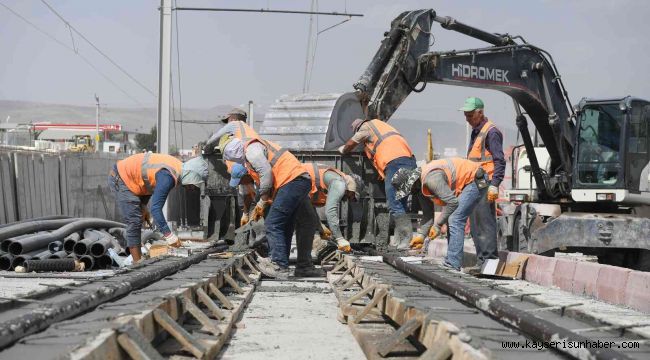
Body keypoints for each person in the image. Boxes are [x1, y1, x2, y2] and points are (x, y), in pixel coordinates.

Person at [220, 134, 321, 279]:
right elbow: (268, 186)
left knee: (273, 224)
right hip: (297, 180)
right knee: (285, 224)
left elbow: (266, 174)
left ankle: (279, 265)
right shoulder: (253, 156)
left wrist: (262, 202)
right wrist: (260, 207)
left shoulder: (252, 151)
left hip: (291, 180)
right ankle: (299, 266)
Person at [392, 157, 488, 270]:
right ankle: (452, 260)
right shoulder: (420, 187)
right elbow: (428, 215)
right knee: (451, 217)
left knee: (455, 219)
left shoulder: (431, 180)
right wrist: (421, 236)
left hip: (477, 179)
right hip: (467, 183)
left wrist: (438, 225)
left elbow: (452, 203)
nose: (410, 193)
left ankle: (453, 263)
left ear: (412, 183)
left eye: (408, 190)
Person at [108, 153, 208, 262]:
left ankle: (139, 259)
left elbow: (148, 181)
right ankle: (137, 264)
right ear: (190, 175)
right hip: (122, 178)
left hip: (133, 180)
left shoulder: (176, 169)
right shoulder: (168, 177)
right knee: (134, 221)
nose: (191, 189)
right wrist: (169, 235)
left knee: (138, 218)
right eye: (193, 185)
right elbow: (156, 209)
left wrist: (143, 206)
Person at [339, 118, 416, 249]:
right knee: (401, 204)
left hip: (394, 163)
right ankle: (399, 242)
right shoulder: (383, 127)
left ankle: (407, 240)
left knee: (394, 205)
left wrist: (343, 149)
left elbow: (353, 142)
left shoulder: (366, 127)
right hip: (410, 162)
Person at [461, 97, 505, 266]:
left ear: (480, 113)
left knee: (485, 224)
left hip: (485, 184)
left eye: (470, 115)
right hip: (474, 183)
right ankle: (481, 263)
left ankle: (489, 264)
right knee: (476, 226)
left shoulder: (491, 132)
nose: (467, 118)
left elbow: (499, 161)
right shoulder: (476, 131)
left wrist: (495, 184)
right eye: (465, 115)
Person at [301, 162, 364, 253]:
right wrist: (339, 238)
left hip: (295, 181)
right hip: (292, 179)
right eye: (352, 196)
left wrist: (320, 227)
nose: (349, 199)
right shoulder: (339, 183)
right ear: (352, 188)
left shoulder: (334, 180)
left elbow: (310, 207)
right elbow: (330, 211)